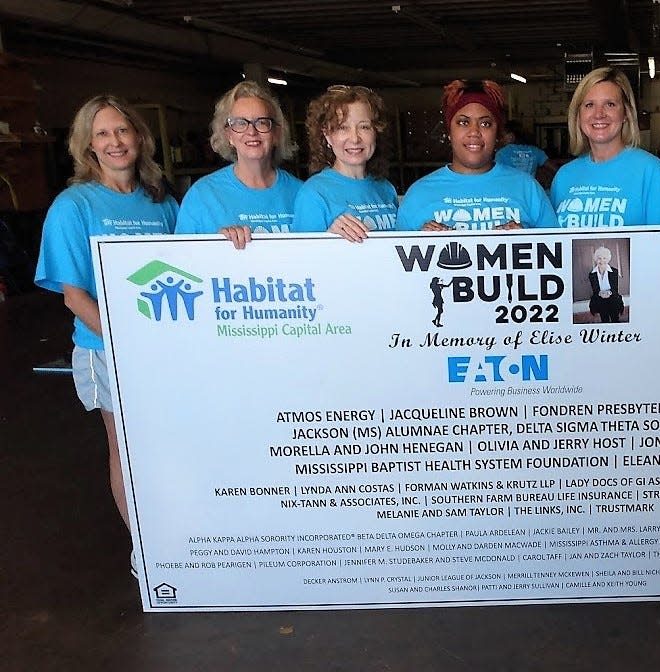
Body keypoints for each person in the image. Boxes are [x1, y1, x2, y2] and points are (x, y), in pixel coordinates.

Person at [34, 95, 178, 573]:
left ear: (139, 137)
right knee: (127, 446)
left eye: (122, 131)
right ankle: (147, 552)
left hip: (166, 352)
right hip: (107, 352)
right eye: (102, 134)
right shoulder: (73, 206)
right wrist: (128, 342)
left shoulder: (162, 202)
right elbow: (74, 296)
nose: (115, 142)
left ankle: (183, 536)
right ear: (87, 146)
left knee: (170, 442)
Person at [396, 79, 557, 231]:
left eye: (485, 123)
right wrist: (419, 244)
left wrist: (529, 239)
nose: (474, 132)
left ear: (497, 133)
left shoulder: (527, 188)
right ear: (449, 132)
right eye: (463, 122)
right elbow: (394, 258)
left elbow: (558, 253)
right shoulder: (418, 194)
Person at [175, 81, 301, 248]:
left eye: (262, 122)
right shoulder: (202, 196)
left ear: (277, 133)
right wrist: (216, 247)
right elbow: (182, 261)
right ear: (228, 135)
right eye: (240, 123)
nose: (251, 132)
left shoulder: (303, 193)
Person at [550, 67, 660, 227]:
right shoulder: (564, 176)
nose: (599, 114)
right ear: (578, 114)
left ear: (626, 113)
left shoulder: (650, 170)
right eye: (589, 105)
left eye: (610, 104)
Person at [293, 85, 398, 242]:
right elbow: (302, 261)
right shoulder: (313, 194)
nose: (355, 139)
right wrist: (329, 237)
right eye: (343, 128)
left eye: (364, 127)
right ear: (327, 136)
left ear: (376, 132)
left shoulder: (386, 189)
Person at [588, 246, 625, 322]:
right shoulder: (592, 274)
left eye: (604, 258)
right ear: (596, 260)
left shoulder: (614, 272)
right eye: (599, 258)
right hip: (600, 298)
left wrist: (609, 292)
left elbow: (615, 289)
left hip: (612, 297)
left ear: (608, 259)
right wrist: (600, 293)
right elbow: (595, 291)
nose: (602, 261)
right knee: (604, 318)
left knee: (615, 317)